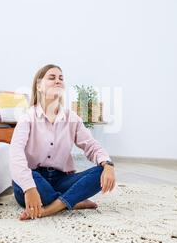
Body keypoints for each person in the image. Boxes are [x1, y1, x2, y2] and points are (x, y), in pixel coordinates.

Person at [10, 64, 116, 220]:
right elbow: (16, 156)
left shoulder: (71, 118)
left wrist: (108, 165)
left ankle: (51, 208)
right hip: (34, 178)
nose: (58, 81)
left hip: (61, 179)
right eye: (52, 78)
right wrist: (29, 188)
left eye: (61, 78)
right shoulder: (27, 117)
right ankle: (73, 200)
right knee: (34, 184)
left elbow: (91, 145)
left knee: (101, 172)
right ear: (39, 86)